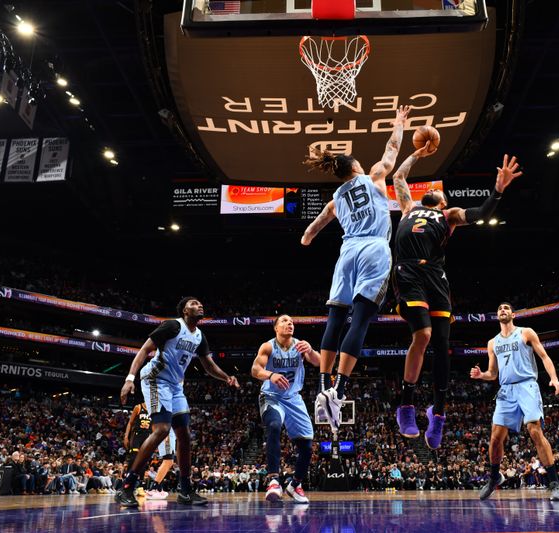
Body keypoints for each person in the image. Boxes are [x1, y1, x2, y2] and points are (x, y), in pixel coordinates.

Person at [391, 152, 522, 448]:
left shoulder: (448, 215)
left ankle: (438, 414)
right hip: (408, 271)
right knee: (422, 334)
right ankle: (406, 405)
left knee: (441, 346)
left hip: (436, 278)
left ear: (443, 202)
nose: (432, 191)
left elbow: (481, 214)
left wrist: (498, 189)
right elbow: (398, 177)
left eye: (438, 193)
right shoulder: (408, 206)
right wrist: (419, 154)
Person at [301, 105, 411, 431]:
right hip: (374, 249)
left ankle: (323, 387)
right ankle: (340, 388)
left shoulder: (335, 198)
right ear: (357, 166)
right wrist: (399, 124)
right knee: (360, 319)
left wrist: (306, 239)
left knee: (335, 319)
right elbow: (392, 150)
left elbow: (310, 233)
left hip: (346, 252)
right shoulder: (374, 176)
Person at [116, 296, 240, 507]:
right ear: (184, 311)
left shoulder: (199, 336)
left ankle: (185, 490)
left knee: (184, 435)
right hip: (155, 379)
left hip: (175, 385)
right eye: (193, 304)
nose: (199, 305)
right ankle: (128, 485)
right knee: (162, 429)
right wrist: (129, 379)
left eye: (201, 303)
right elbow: (145, 349)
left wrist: (227, 377)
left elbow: (209, 366)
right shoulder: (173, 326)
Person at [470, 303, 559, 501]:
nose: (502, 310)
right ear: (497, 315)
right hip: (506, 390)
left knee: (534, 431)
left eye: (506, 308)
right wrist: (482, 375)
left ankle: (554, 482)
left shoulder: (526, 332)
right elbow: (493, 373)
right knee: (495, 438)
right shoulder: (492, 343)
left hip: (527, 385)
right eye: (499, 309)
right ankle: (495, 477)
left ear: (512, 314)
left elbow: (544, 356)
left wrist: (554, 378)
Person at [251, 314, 320, 504]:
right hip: (272, 396)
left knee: (306, 445)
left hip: (294, 398)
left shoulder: (300, 345)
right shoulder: (268, 346)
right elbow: (255, 370)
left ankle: (295, 484)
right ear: (275, 328)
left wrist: (312, 350)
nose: (289, 323)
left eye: (291, 322)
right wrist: (270, 375)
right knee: (274, 425)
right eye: (284, 321)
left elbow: (320, 362)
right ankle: (273, 480)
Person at [146, 429, 177, 499]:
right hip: (167, 434)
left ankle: (158, 489)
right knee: (168, 461)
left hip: (170, 434)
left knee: (169, 462)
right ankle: (152, 489)